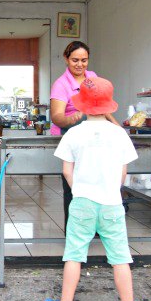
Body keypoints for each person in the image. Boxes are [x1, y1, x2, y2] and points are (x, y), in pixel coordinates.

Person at [42, 76, 151, 301]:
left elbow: (66, 171)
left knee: (74, 255)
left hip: (82, 202)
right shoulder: (119, 134)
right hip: (111, 202)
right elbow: (123, 173)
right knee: (120, 257)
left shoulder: (73, 134)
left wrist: (79, 189)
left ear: (80, 105)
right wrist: (111, 189)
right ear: (108, 105)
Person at [50, 41, 119, 232]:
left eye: (84, 60)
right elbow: (56, 116)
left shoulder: (92, 77)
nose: (79, 65)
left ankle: (95, 229)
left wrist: (116, 126)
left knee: (95, 182)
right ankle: (74, 231)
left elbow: (102, 105)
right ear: (66, 59)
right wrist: (71, 119)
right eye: (75, 60)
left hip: (94, 136)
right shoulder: (61, 84)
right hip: (71, 135)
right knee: (73, 188)